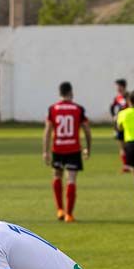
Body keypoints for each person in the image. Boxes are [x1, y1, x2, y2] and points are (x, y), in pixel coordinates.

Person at [42, 81, 91, 223]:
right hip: (73, 149)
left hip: (57, 148)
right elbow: (87, 130)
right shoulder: (78, 109)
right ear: (71, 92)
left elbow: (47, 131)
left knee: (57, 176)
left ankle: (59, 210)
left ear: (59, 92)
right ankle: (69, 215)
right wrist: (88, 148)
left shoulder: (53, 109)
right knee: (71, 179)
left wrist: (45, 151)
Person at [109, 79, 130, 173]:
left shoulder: (129, 96)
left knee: (130, 146)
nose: (117, 88)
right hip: (120, 124)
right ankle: (125, 166)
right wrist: (114, 116)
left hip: (129, 124)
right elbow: (112, 107)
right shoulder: (117, 98)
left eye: (118, 86)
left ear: (123, 86)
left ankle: (132, 164)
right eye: (116, 86)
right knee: (122, 146)